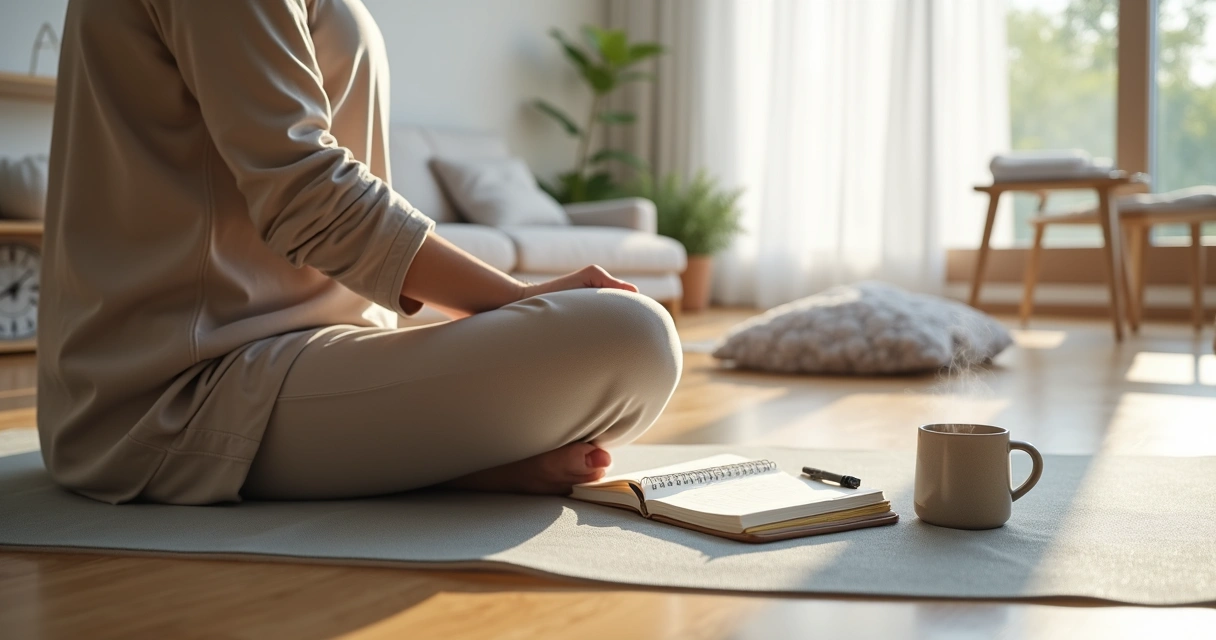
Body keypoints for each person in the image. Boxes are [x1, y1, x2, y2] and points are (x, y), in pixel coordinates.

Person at [36, 0, 682, 505]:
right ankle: (438, 463)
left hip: (310, 349)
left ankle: (419, 457)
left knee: (634, 340)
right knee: (630, 339)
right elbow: (306, 192)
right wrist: (513, 300)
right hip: (187, 388)